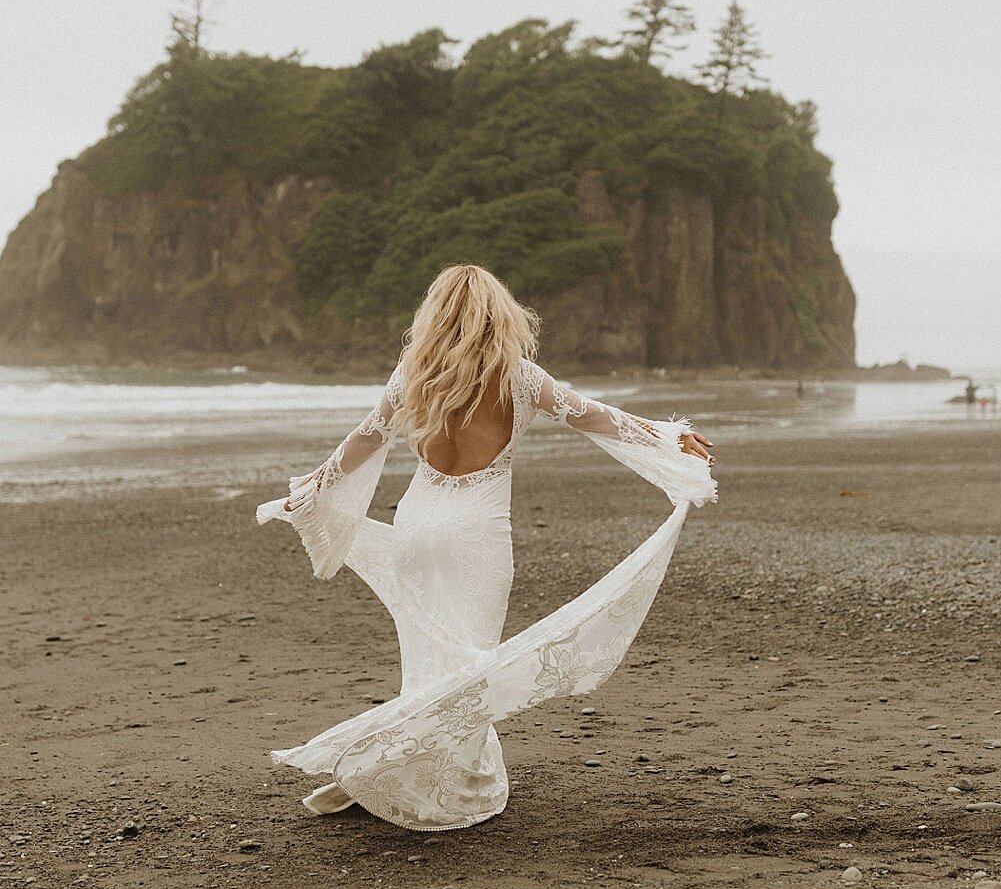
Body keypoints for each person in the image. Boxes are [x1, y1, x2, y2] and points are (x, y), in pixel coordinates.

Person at [256, 263, 717, 831]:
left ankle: (394, 768)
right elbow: (598, 419)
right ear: (500, 316)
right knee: (472, 661)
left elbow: (362, 442)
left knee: (428, 654)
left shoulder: (414, 374)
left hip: (417, 524)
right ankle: (441, 784)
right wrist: (670, 439)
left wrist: (313, 488)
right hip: (476, 530)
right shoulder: (520, 379)